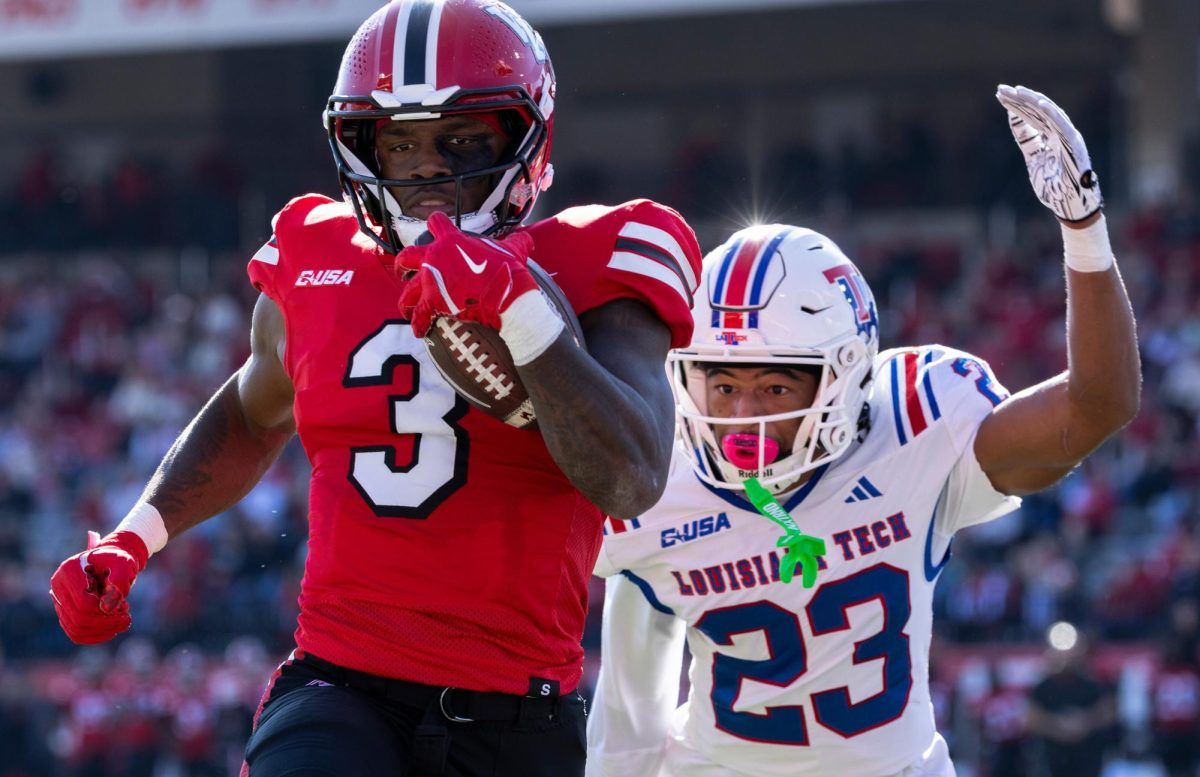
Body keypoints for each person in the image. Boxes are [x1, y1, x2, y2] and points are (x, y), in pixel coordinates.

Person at [48, 2, 702, 775]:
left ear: (525, 136)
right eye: (398, 140)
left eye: (461, 138)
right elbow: (254, 413)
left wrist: (520, 304)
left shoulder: (600, 258)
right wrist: (137, 534)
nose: (426, 166)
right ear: (361, 145)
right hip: (338, 684)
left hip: (516, 711)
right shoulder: (317, 254)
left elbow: (629, 475)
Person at [586, 85, 1139, 776]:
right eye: (722, 384)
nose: (741, 415)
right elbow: (620, 706)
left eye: (775, 385)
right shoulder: (653, 480)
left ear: (844, 375)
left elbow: (1098, 406)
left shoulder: (914, 424)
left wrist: (1082, 229)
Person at [1027, 635, 1115, 777]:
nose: (1066, 658)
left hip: (1087, 756)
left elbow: (1109, 712)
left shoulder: (1091, 685)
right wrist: (1059, 728)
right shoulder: (1043, 688)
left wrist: (1084, 723)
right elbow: (1031, 720)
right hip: (1053, 757)